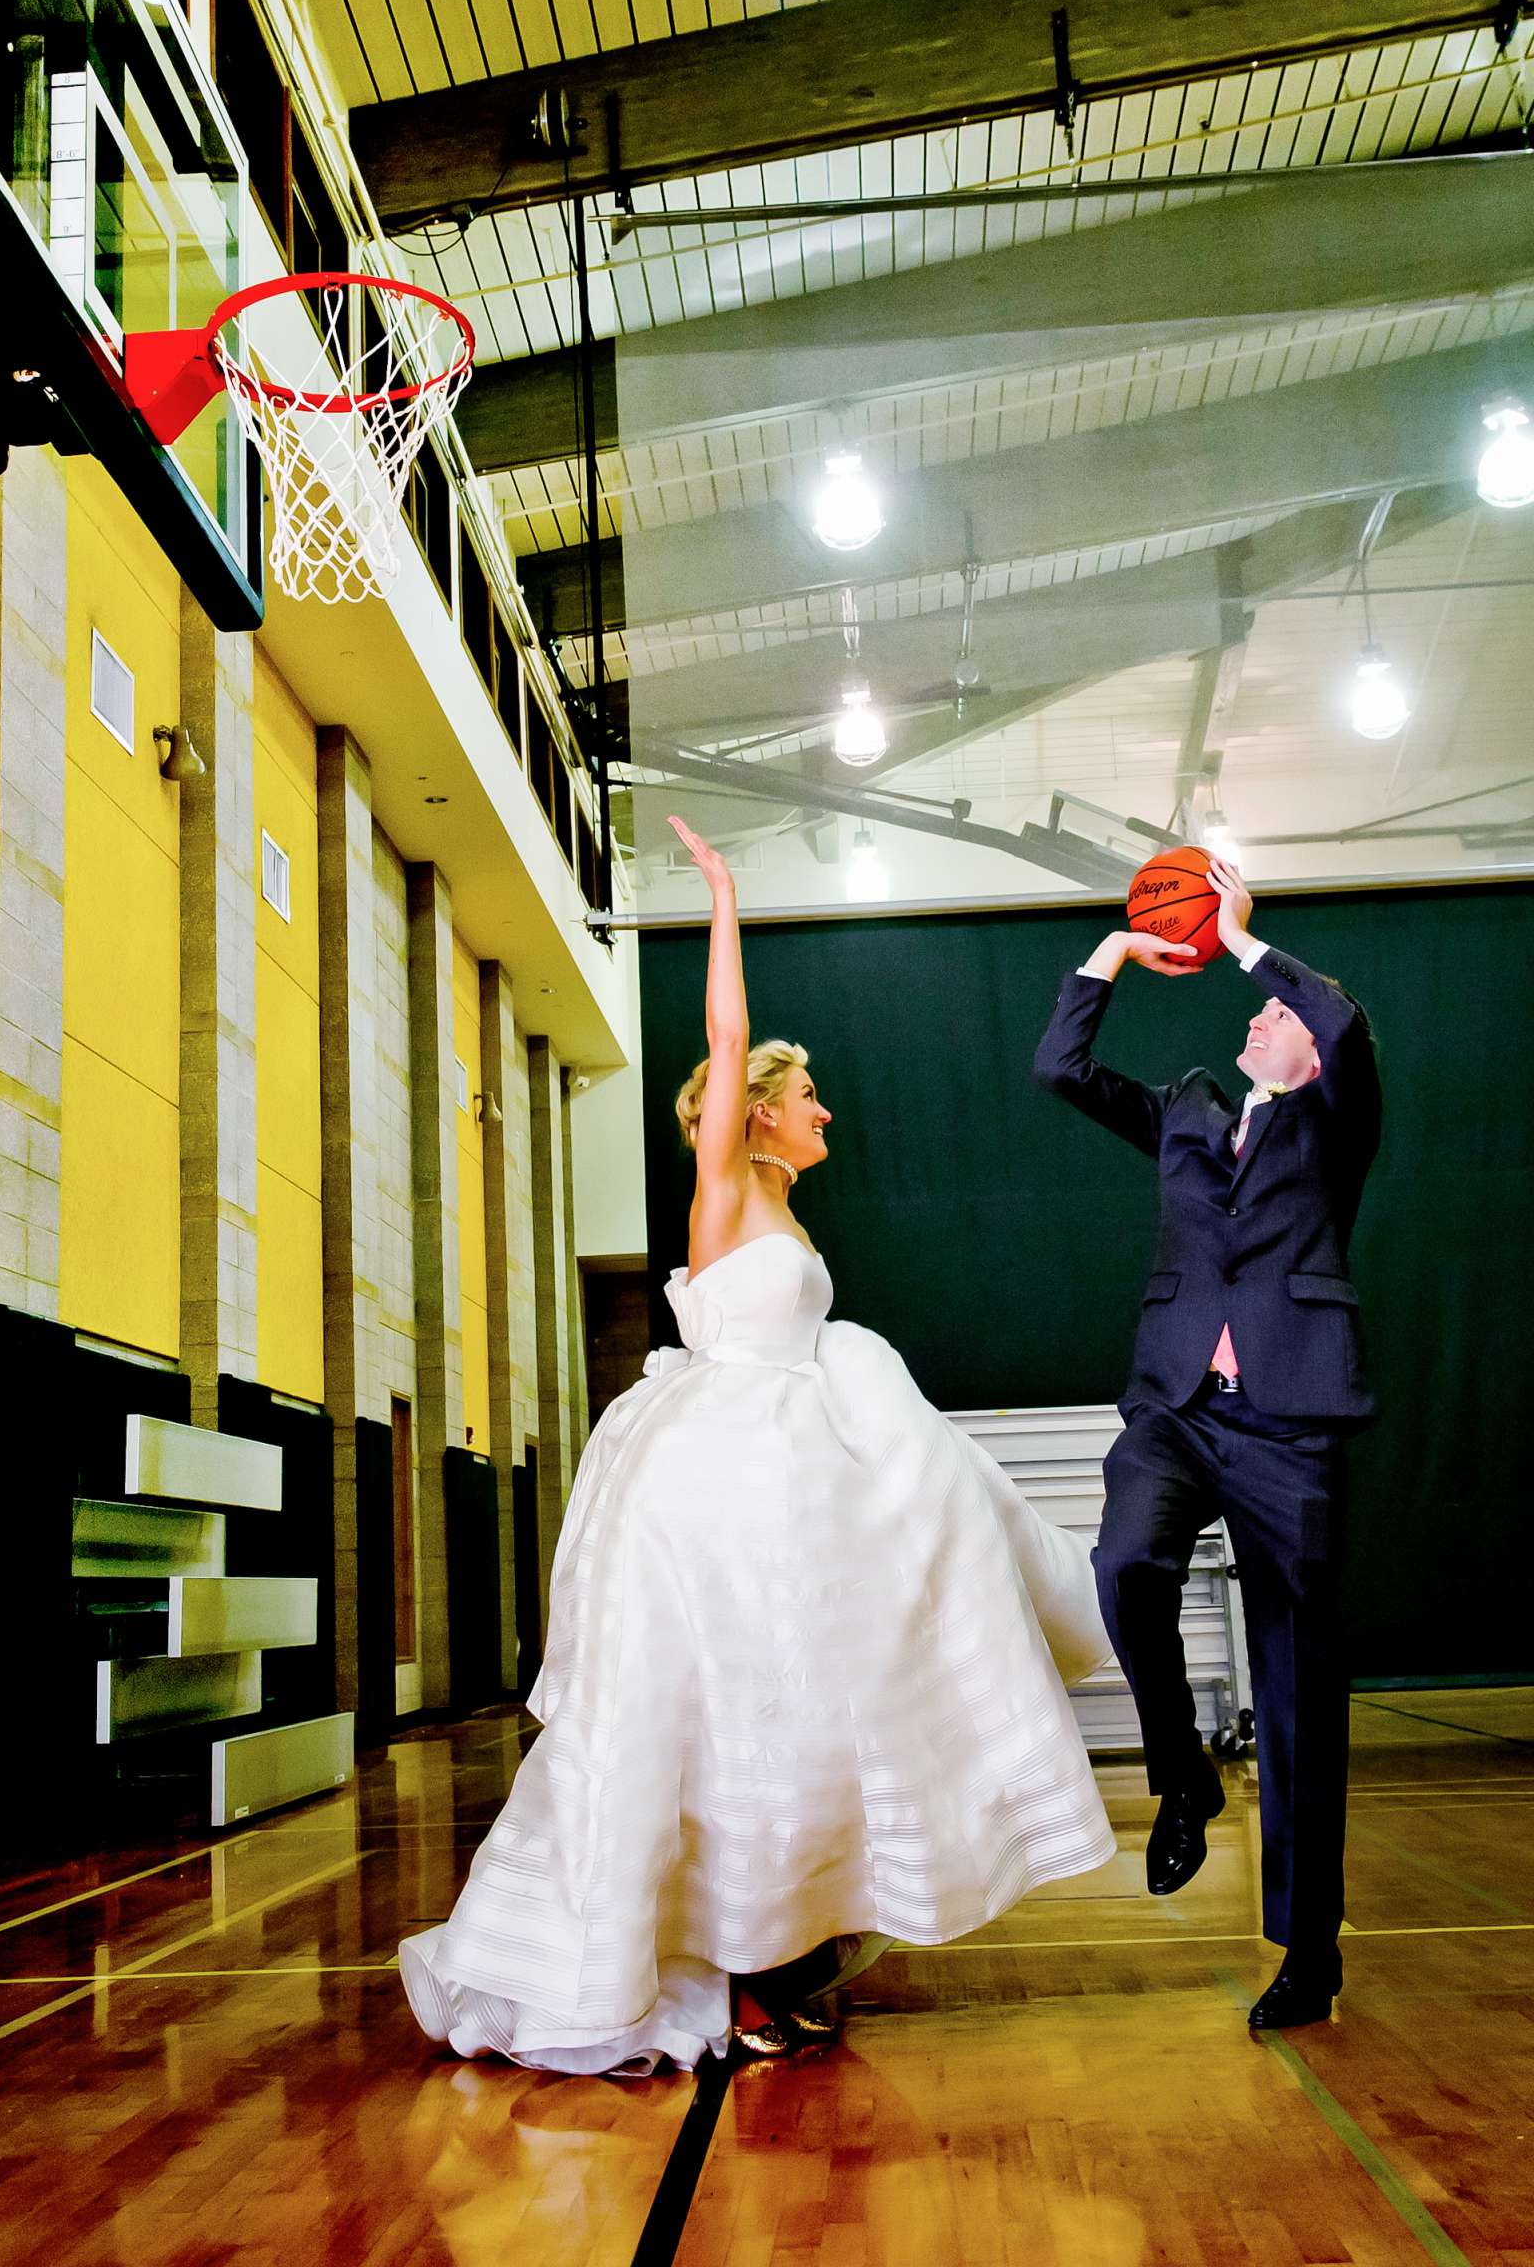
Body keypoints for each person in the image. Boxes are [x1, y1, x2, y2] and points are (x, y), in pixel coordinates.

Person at [398, 817, 1115, 2076]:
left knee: (794, 1716)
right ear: (757, 1118)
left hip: (793, 1488)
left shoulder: (784, 1208)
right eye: (807, 1097)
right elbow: (726, 1038)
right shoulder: (723, 1187)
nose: (825, 1109)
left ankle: (778, 1952)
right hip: (715, 1487)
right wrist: (722, 898)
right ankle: (717, 1974)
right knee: (723, 1713)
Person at [1034, 858, 1381, 2030]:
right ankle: (1179, 1770)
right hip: (1176, 1404)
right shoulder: (1186, 1103)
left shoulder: (1338, 1120)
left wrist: (1239, 939)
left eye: (1272, 1014)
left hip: (1293, 1423)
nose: (1256, 1012)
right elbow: (1059, 1068)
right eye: (1256, 1002)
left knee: (1295, 1694)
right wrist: (1118, 953)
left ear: (1313, 1050)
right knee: (1124, 1565)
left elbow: (1331, 1010)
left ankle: (1308, 1952)